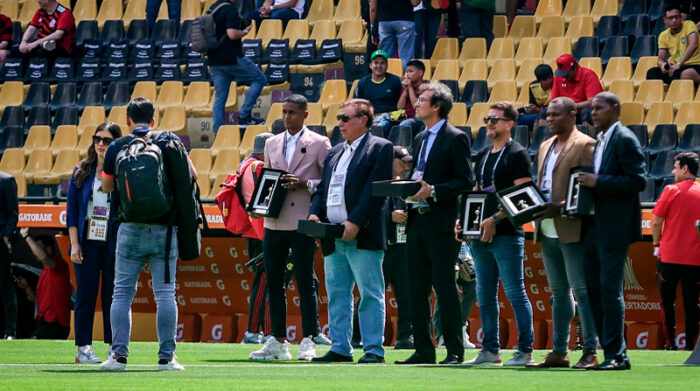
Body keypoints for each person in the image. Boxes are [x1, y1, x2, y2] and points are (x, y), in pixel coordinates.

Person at [99, 98, 190, 371]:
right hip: (164, 230)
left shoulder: (117, 146)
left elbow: (106, 186)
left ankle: (118, 356)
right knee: (165, 293)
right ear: (153, 120)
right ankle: (166, 357)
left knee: (122, 293)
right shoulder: (168, 142)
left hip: (129, 227)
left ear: (128, 120)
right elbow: (191, 177)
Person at [308, 99, 393, 364]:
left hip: (363, 234)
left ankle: (373, 350)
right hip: (333, 234)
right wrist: (314, 213)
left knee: (370, 293)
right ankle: (341, 347)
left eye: (345, 118)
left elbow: (376, 190)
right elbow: (323, 188)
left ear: (363, 120)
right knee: (337, 294)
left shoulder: (381, 147)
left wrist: (356, 221)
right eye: (339, 118)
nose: (340, 123)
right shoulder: (334, 152)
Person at [249, 95, 332, 361]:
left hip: (302, 220)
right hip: (274, 220)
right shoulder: (272, 143)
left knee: (305, 280)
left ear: (305, 114)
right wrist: (260, 204)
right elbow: (269, 180)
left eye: (293, 112)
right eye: (284, 112)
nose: (287, 117)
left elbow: (329, 181)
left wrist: (305, 184)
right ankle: (278, 339)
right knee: (274, 281)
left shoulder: (320, 143)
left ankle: (309, 338)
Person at [396, 82, 473, 365]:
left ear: (437, 106)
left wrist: (435, 190)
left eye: (423, 100)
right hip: (416, 220)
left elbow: (465, 180)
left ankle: (454, 349)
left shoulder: (456, 138)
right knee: (416, 287)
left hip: (441, 222)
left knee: (444, 286)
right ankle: (423, 349)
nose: (416, 104)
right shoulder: (419, 137)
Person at [526, 97, 600, 369]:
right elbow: (541, 182)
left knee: (582, 291)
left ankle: (590, 350)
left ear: (572, 114)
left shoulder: (585, 144)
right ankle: (559, 350)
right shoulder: (545, 145)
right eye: (548, 114)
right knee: (558, 292)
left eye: (556, 114)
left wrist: (563, 206)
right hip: (546, 227)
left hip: (573, 226)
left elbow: (590, 189)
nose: (550, 119)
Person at [460, 101, 535, 367]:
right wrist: (465, 221)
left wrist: (494, 219)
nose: (489, 124)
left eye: (495, 119)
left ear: (509, 124)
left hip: (507, 233)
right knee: (485, 294)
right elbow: (478, 192)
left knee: (515, 292)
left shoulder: (518, 154)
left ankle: (525, 351)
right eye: (487, 119)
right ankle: (490, 351)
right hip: (481, 235)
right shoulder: (482, 154)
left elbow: (524, 195)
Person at [578, 92, 646, 370]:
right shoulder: (603, 140)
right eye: (592, 108)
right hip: (596, 224)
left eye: (599, 108)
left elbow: (638, 181)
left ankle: (618, 355)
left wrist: (599, 181)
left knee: (608, 289)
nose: (593, 113)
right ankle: (609, 351)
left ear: (615, 109)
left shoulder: (625, 139)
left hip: (616, 226)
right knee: (594, 289)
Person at [66, 122, 122, 363]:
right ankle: (83, 349)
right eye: (98, 139)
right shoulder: (82, 171)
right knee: (86, 295)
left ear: (116, 144)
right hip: (87, 241)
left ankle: (113, 346)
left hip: (112, 242)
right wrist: (75, 244)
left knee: (113, 296)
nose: (101, 144)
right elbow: (71, 211)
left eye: (107, 141)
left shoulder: (121, 170)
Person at [652, 152, 700, 351]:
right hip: (695, 259)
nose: (672, 171)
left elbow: (656, 222)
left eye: (675, 167)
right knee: (692, 305)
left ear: (685, 169)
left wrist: (656, 245)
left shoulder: (671, 190)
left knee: (667, 303)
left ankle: (670, 344)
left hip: (669, 257)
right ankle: (691, 347)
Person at [208, 0, 267, 131]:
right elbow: (232, 34)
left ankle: (218, 131)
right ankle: (244, 117)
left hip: (214, 59)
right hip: (231, 57)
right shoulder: (230, 9)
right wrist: (245, 32)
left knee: (220, 97)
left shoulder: (213, 7)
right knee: (259, 79)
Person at [239, 132, 273, 344]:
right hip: (263, 230)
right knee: (266, 283)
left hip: (252, 230)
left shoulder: (244, 164)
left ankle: (258, 331)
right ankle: (257, 332)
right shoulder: (259, 167)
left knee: (264, 282)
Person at [383, 146, 415, 349]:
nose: (406, 166)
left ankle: (406, 336)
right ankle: (358, 335)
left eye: (408, 162)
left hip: (403, 248)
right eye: (402, 161)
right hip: (383, 247)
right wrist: (390, 217)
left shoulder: (409, 186)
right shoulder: (378, 184)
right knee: (373, 294)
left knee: (407, 295)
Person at [16, 228, 72, 340]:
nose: (34, 251)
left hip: (56, 323)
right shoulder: (43, 272)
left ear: (49, 249)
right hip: (43, 322)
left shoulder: (59, 265)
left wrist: (27, 237)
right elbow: (35, 301)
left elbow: (44, 257)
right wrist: (26, 288)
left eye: (38, 246)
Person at [647, 4, 700, 85]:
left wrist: (679, 64)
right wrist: (663, 65)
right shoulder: (663, 35)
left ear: (681, 17)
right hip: (678, 67)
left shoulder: (689, 25)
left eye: (676, 17)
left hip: (696, 65)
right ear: (665, 20)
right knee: (652, 73)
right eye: (671, 18)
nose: (674, 20)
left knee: (686, 74)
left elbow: (694, 45)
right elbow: (661, 59)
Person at [354, 50, 403, 136]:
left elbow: (402, 102)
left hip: (389, 118)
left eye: (382, 63)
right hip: (369, 117)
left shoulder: (395, 81)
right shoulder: (362, 82)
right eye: (376, 63)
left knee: (379, 127)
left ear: (387, 65)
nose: (379, 66)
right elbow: (356, 104)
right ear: (370, 65)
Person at [550, 54, 603, 128]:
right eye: (562, 73)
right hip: (567, 111)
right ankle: (544, 138)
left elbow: (593, 101)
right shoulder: (559, 77)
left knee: (586, 113)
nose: (564, 76)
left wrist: (573, 106)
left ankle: (588, 139)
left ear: (575, 68)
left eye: (566, 74)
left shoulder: (588, 75)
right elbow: (554, 99)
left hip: (582, 111)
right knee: (546, 112)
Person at [370, 0, 420, 71]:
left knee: (386, 55)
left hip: (384, 21)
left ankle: (385, 78)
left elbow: (373, 8)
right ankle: (406, 78)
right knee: (406, 56)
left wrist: (372, 26)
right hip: (405, 19)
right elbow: (415, 3)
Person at [0, 170, 18, 340]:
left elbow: (13, 212)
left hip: (0, 241)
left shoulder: (6, 180)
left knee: (5, 286)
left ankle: (9, 331)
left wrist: (6, 237)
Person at [397, 60, 429, 136]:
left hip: (420, 118)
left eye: (410, 71)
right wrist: (405, 90)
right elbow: (400, 107)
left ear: (420, 73)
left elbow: (417, 107)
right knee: (383, 123)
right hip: (404, 116)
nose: (407, 74)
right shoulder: (407, 86)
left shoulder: (427, 87)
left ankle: (405, 147)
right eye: (406, 72)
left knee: (405, 124)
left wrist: (410, 88)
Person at [517, 64, 554, 131]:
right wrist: (528, 109)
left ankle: (537, 141)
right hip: (537, 114)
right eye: (545, 79)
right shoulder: (533, 86)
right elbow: (533, 105)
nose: (549, 80)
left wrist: (539, 110)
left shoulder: (557, 85)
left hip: (550, 115)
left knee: (538, 121)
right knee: (516, 119)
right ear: (539, 81)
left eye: (550, 77)